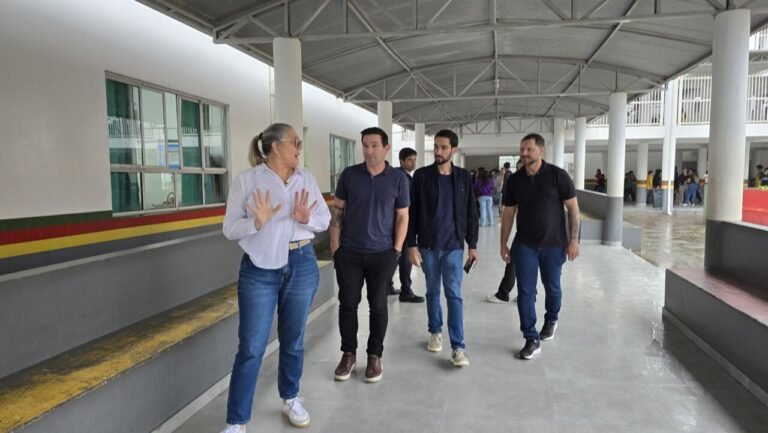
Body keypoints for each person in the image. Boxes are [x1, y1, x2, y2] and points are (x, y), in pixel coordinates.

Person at [219, 123, 331, 433]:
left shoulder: (305, 178)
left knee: (293, 340)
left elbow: (324, 218)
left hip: (302, 262)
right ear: (275, 147)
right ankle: (236, 421)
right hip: (259, 269)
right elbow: (229, 228)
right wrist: (256, 221)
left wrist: (307, 218)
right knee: (252, 347)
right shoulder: (248, 180)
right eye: (294, 142)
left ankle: (291, 398)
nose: (299, 147)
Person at [330, 127, 409, 384]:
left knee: (378, 306)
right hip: (350, 253)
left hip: (382, 254)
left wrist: (396, 251)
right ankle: (348, 354)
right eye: (365, 145)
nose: (369, 150)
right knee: (348, 304)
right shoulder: (350, 175)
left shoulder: (397, 178)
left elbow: (402, 216)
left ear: (386, 148)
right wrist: (336, 250)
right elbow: (337, 213)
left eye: (375, 145)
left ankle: (374, 356)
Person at [500, 133, 580, 360]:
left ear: (541, 150)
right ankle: (530, 337)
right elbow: (508, 213)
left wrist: (574, 240)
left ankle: (551, 318)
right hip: (525, 245)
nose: (524, 153)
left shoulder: (558, 176)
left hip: (555, 245)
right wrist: (503, 243)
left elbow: (574, 211)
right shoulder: (515, 180)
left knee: (552, 287)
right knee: (526, 291)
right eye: (522, 149)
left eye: (529, 150)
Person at [408, 129, 479, 367]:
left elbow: (471, 213)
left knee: (454, 295)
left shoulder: (463, 177)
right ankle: (435, 331)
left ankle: (458, 346)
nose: (438, 151)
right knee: (431, 291)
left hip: (454, 247)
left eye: (443, 148)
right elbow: (412, 212)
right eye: (436, 147)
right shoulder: (421, 176)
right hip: (428, 246)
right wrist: (412, 244)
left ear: (454, 150)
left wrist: (473, 245)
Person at [387, 147, 425, 303]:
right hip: (402, 225)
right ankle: (406, 291)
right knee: (404, 260)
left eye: (415, 159)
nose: (413, 162)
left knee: (394, 258)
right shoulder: (402, 178)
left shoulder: (400, 176)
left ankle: (387, 286)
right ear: (401, 161)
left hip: (395, 224)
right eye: (410, 159)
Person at [487, 159, 525, 304]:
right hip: (522, 232)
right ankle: (524, 293)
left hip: (534, 235)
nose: (521, 170)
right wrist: (503, 243)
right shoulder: (517, 183)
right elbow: (510, 211)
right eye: (519, 167)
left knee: (514, 263)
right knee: (516, 262)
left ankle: (505, 293)